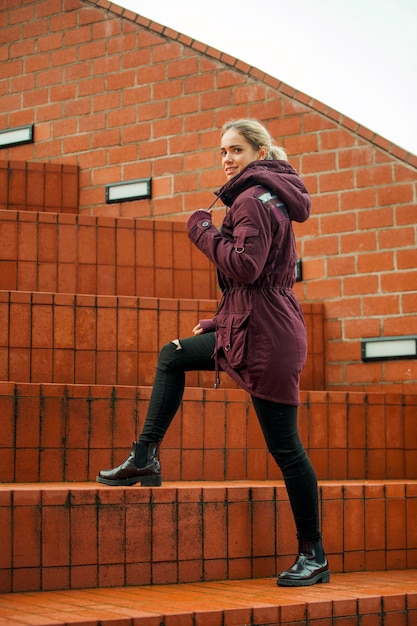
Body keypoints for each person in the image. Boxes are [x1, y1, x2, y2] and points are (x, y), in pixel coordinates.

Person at [97, 118, 330, 587]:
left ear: (260, 152)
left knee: (286, 449)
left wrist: (202, 228)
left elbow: (246, 267)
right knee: (175, 354)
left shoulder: (250, 200)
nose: (226, 159)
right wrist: (221, 321)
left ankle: (314, 555)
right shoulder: (269, 195)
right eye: (222, 151)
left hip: (267, 338)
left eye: (236, 150)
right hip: (254, 326)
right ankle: (145, 456)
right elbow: (259, 279)